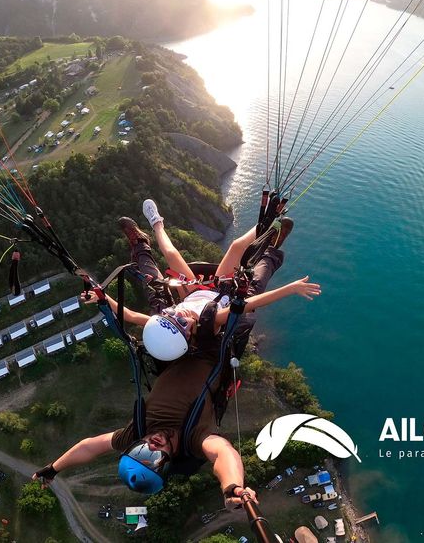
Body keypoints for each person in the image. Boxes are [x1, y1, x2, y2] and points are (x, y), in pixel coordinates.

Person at [33, 200, 320, 507]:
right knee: (249, 290)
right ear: (164, 463)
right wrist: (232, 488)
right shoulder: (194, 440)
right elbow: (223, 453)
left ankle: (141, 244)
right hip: (212, 343)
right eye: (152, 457)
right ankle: (272, 251)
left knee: (156, 287)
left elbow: (92, 446)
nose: (150, 445)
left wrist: (53, 468)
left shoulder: (138, 432)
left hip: (176, 341)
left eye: (139, 450)